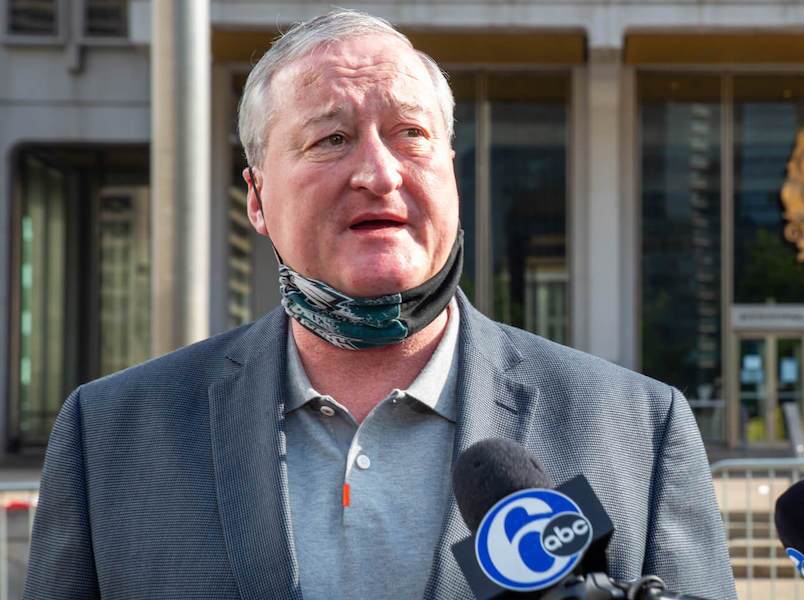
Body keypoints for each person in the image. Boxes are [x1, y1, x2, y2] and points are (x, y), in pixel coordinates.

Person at [24, 9, 736, 600]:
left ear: (451, 174)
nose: (379, 173)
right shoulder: (111, 435)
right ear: (257, 197)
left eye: (411, 135)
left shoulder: (636, 430)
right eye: (331, 138)